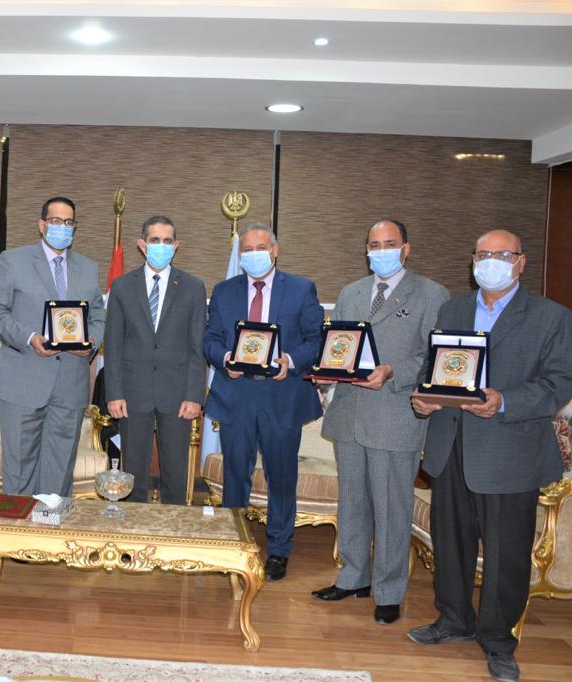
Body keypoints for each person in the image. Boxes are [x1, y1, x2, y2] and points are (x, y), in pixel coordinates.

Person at [408, 230, 572, 682]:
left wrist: (505, 402)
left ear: (520, 262)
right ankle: (454, 620)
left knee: (506, 555)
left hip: (510, 453)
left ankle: (499, 641)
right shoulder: (454, 310)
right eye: (482, 254)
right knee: (451, 543)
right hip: (450, 447)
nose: (490, 262)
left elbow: (559, 383)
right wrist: (423, 397)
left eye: (501, 254)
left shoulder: (551, 317)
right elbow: (435, 369)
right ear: (472, 261)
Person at [312, 219, 449, 625]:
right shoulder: (351, 292)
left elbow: (434, 357)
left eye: (390, 243)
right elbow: (340, 345)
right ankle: (353, 576)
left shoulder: (431, 294)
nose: (381, 250)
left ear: (406, 249)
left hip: (394, 415)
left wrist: (393, 371)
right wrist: (326, 370)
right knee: (352, 502)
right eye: (374, 244)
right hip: (349, 415)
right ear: (366, 249)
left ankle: (389, 591)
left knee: (391, 508)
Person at [203, 222, 323, 581]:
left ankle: (279, 551)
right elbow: (210, 339)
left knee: (281, 477)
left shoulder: (301, 289)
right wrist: (225, 359)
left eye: (260, 247)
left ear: (275, 251)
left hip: (281, 397)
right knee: (235, 475)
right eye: (247, 249)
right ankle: (233, 542)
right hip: (236, 394)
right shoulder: (223, 291)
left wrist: (291, 360)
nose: (253, 254)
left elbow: (316, 340)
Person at [0, 197, 106, 496]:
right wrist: (29, 337)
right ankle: (19, 526)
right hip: (23, 382)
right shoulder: (12, 261)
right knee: (19, 471)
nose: (62, 227)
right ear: (41, 225)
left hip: (70, 384)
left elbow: (98, 316)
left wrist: (90, 342)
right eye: (55, 221)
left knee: (59, 472)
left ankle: (52, 524)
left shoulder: (88, 268)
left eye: (68, 222)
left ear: (75, 227)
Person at [103, 215, 206, 503]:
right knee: (133, 475)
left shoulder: (193, 287)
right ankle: (134, 530)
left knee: (175, 476)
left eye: (167, 241)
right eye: (155, 240)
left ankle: (171, 530)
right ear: (142, 245)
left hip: (178, 395)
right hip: (132, 394)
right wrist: (114, 393)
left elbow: (197, 347)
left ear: (176, 245)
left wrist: (194, 396)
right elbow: (113, 345)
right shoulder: (122, 287)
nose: (161, 246)